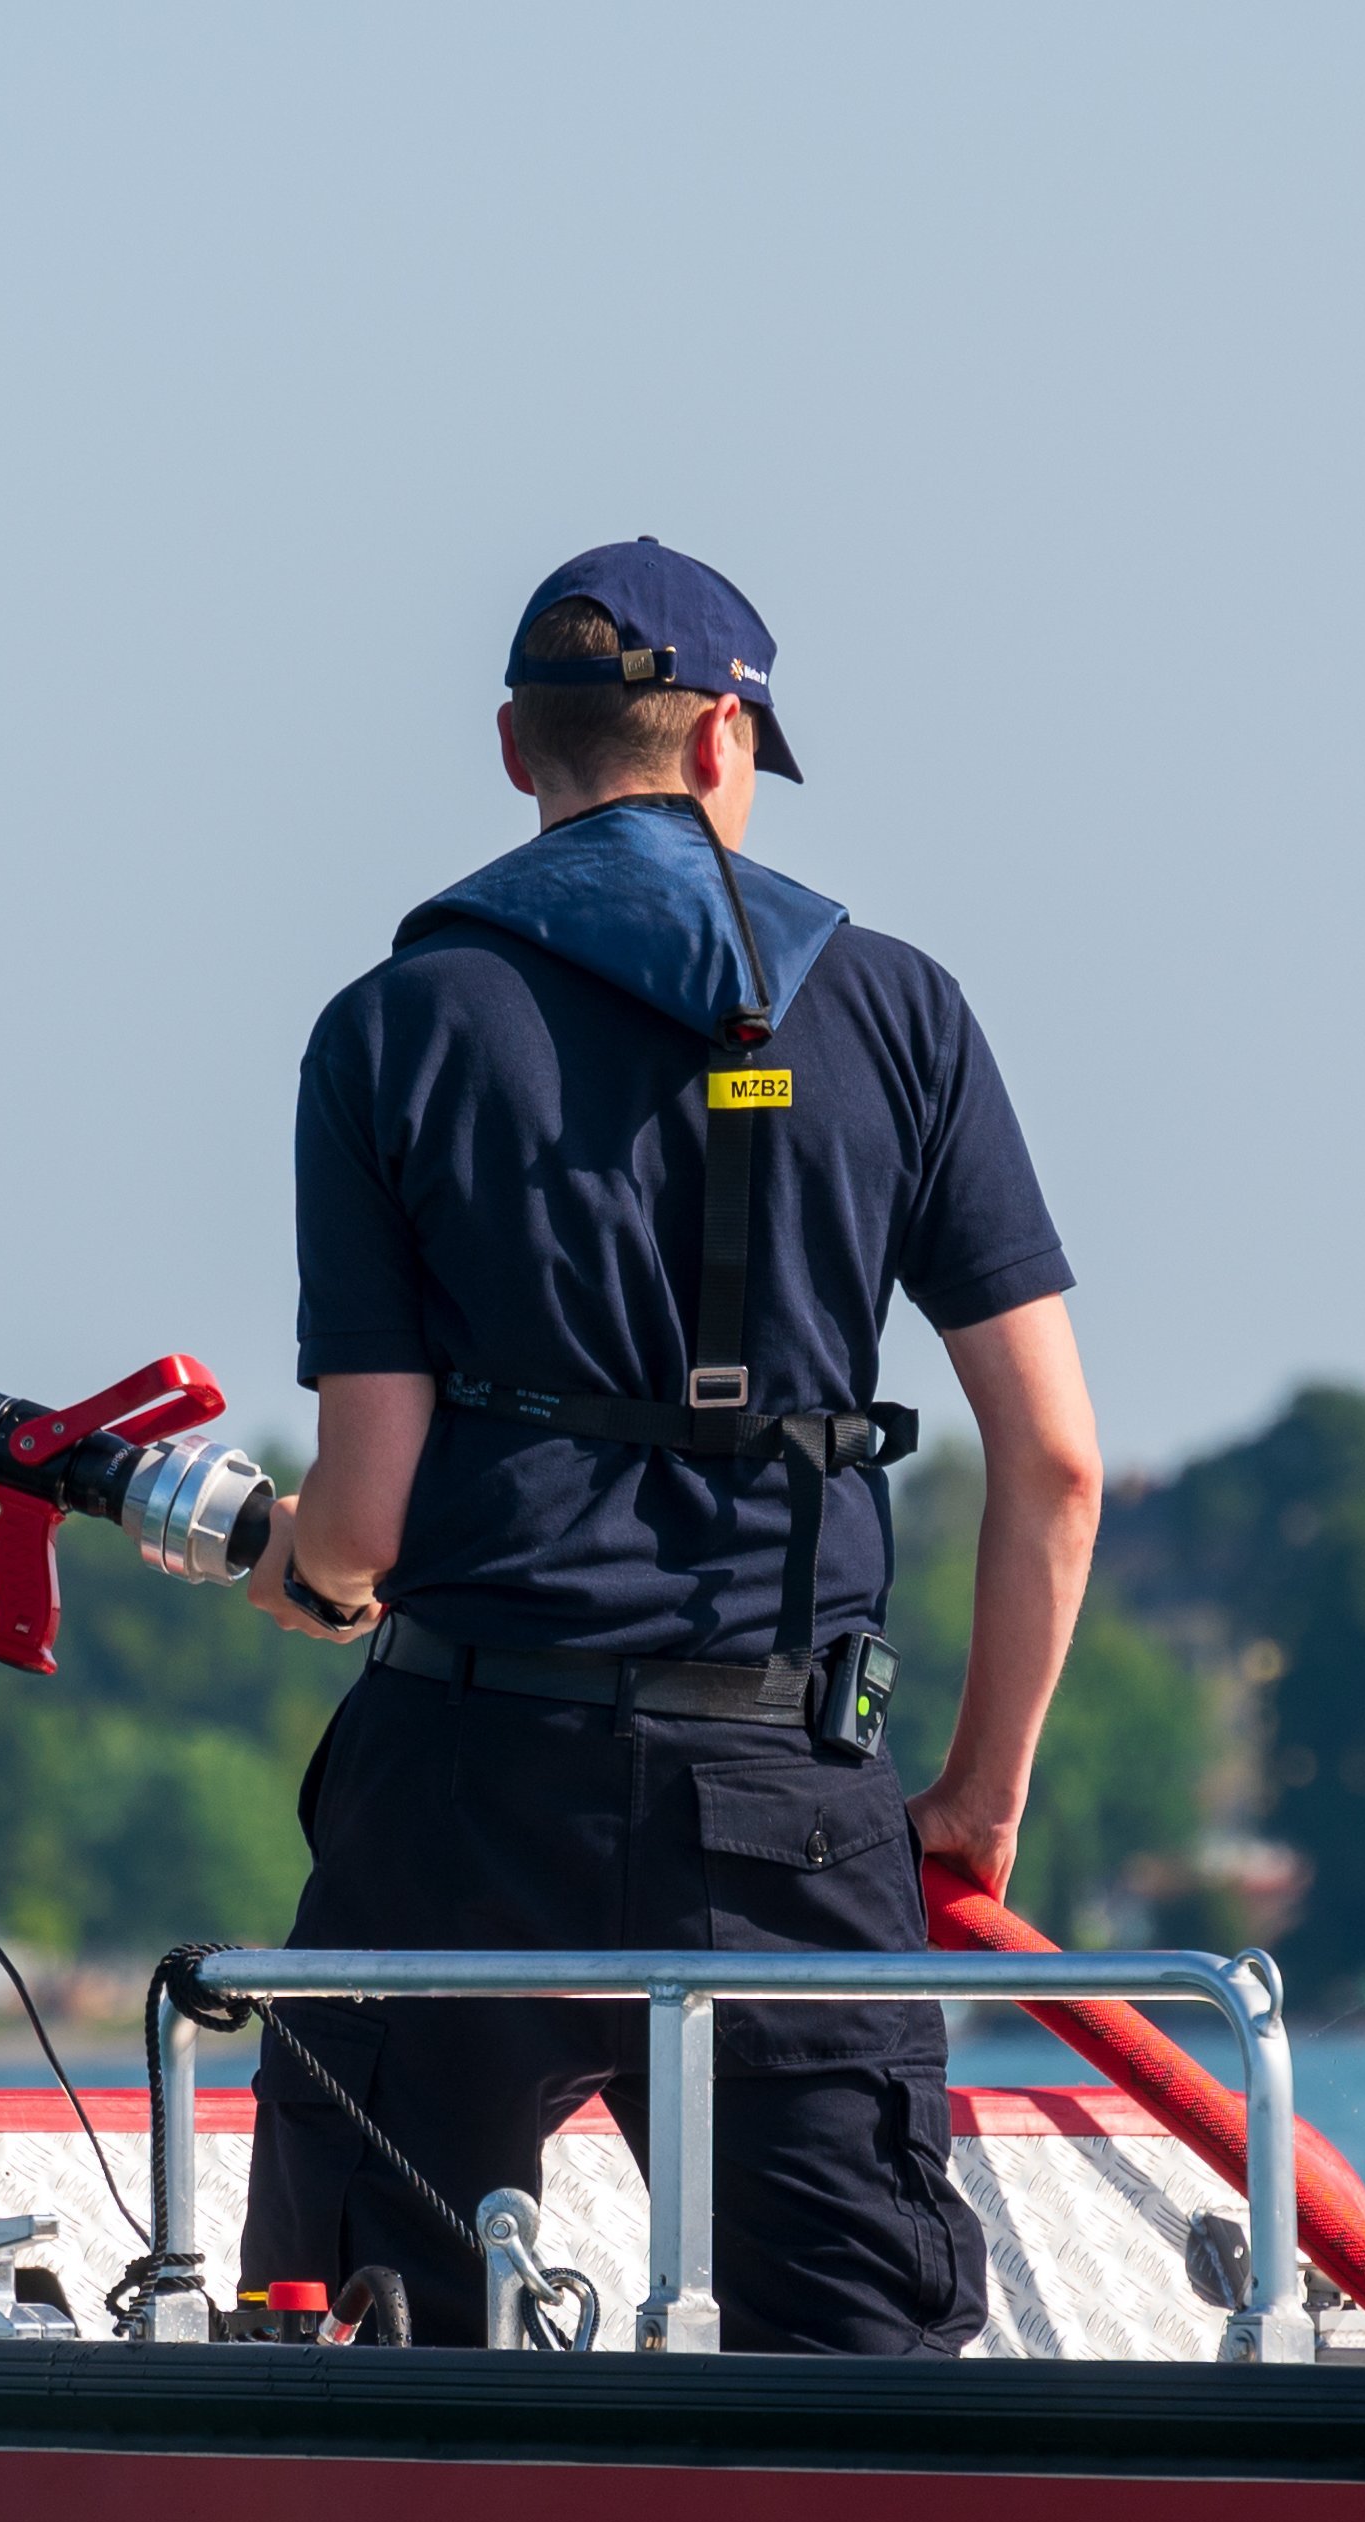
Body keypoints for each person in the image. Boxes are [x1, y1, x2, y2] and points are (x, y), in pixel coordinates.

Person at [239, 538, 1100, 2352]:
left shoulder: (387, 1029)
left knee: (363, 2344)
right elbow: (1056, 1464)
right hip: (787, 1802)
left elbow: (362, 1517)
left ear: (510, 752)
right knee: (862, 2370)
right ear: (723, 742)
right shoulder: (900, 1010)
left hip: (461, 1789)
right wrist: (973, 1801)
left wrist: (299, 1572)